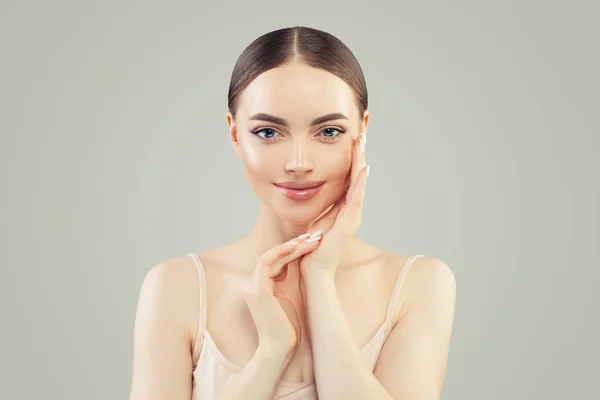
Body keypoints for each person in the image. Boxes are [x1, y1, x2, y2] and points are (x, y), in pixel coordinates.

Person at [129, 26, 456, 400]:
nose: (299, 163)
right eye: (268, 132)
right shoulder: (177, 286)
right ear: (235, 134)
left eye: (329, 131)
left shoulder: (419, 283)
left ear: (361, 132)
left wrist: (318, 279)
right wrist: (271, 353)